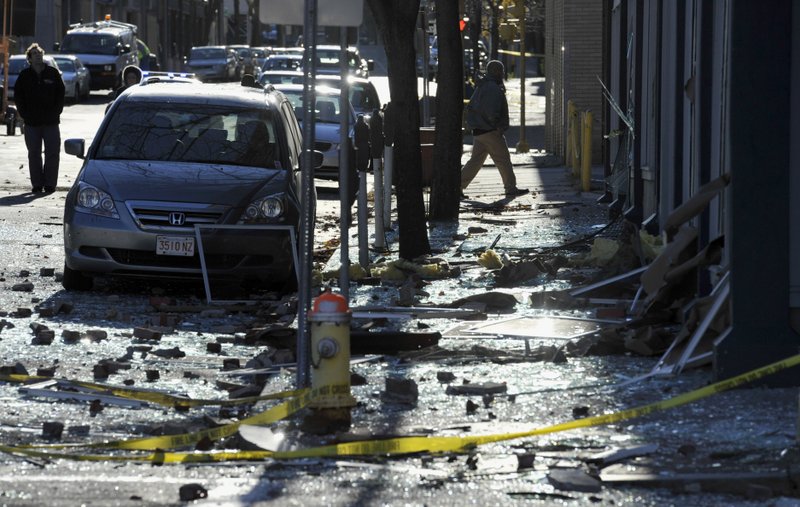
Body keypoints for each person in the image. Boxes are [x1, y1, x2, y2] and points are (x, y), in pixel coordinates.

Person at [460, 60, 528, 198]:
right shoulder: (493, 88)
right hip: (490, 130)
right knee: (503, 160)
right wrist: (497, 127)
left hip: (479, 131)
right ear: (497, 72)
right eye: (501, 71)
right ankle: (510, 188)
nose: (503, 74)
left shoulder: (483, 85)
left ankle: (457, 186)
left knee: (475, 162)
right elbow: (492, 111)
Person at [13, 43, 65, 194]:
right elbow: (18, 96)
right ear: (29, 58)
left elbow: (60, 94)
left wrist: (56, 112)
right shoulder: (24, 76)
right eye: (34, 53)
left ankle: (50, 184)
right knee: (34, 154)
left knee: (52, 153)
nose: (38, 55)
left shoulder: (53, 73)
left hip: (51, 122)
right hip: (31, 123)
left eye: (40, 53)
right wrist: (24, 114)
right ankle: (37, 184)